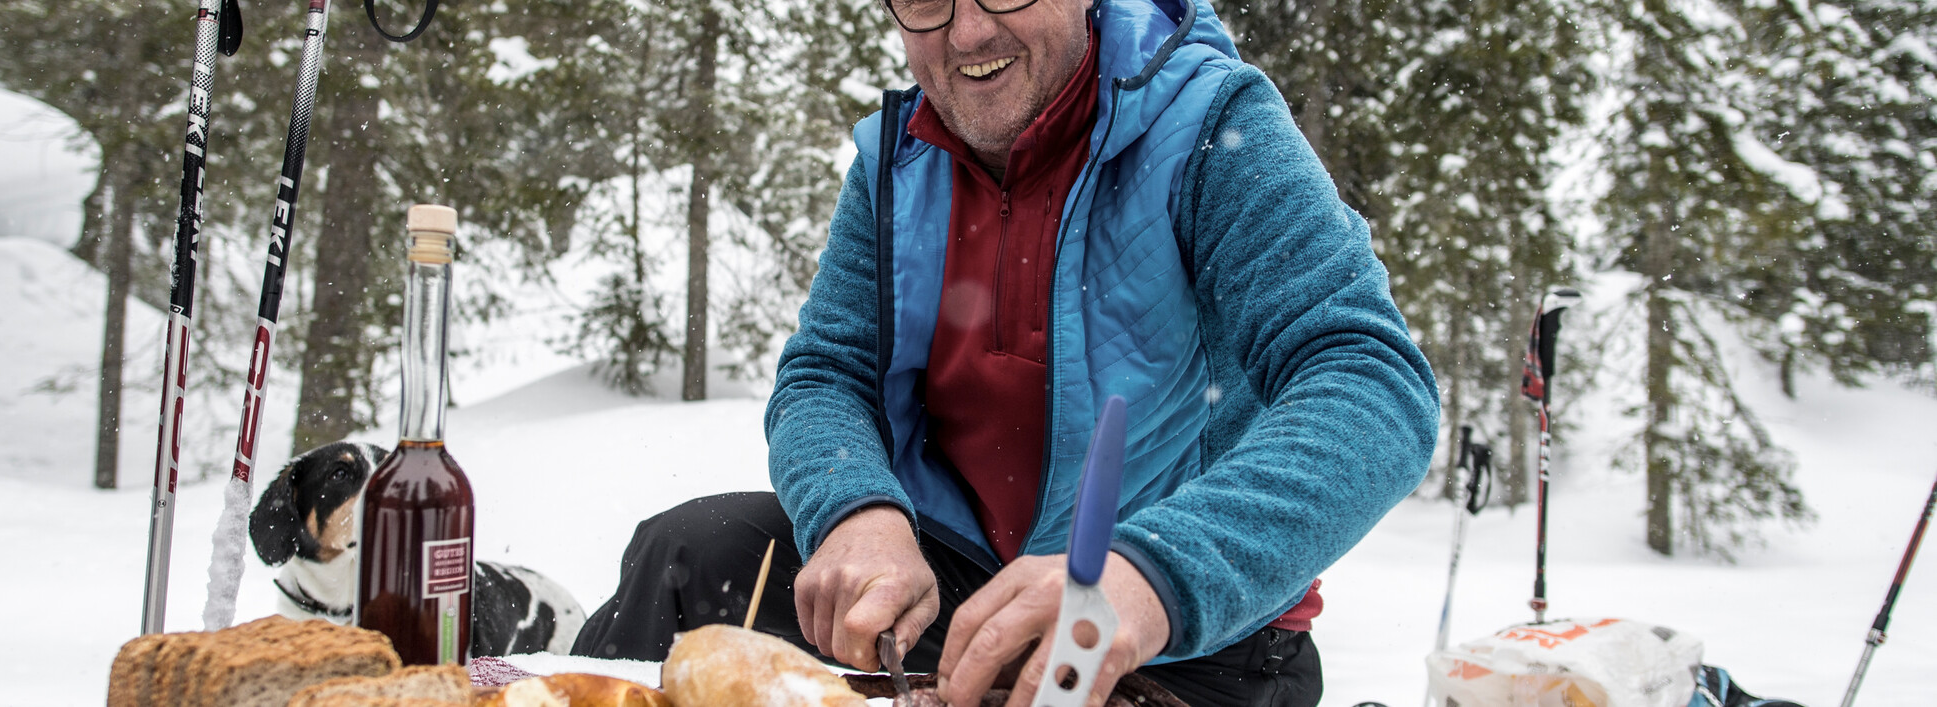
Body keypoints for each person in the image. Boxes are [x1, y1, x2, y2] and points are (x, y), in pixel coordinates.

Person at [571, 0, 1439, 705]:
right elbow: (827, 373)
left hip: (1185, 636)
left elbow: (1372, 380)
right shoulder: (895, 162)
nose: (970, 31)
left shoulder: (1210, 125)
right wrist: (859, 512)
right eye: (924, 0)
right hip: (968, 590)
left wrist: (1153, 574)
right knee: (694, 552)